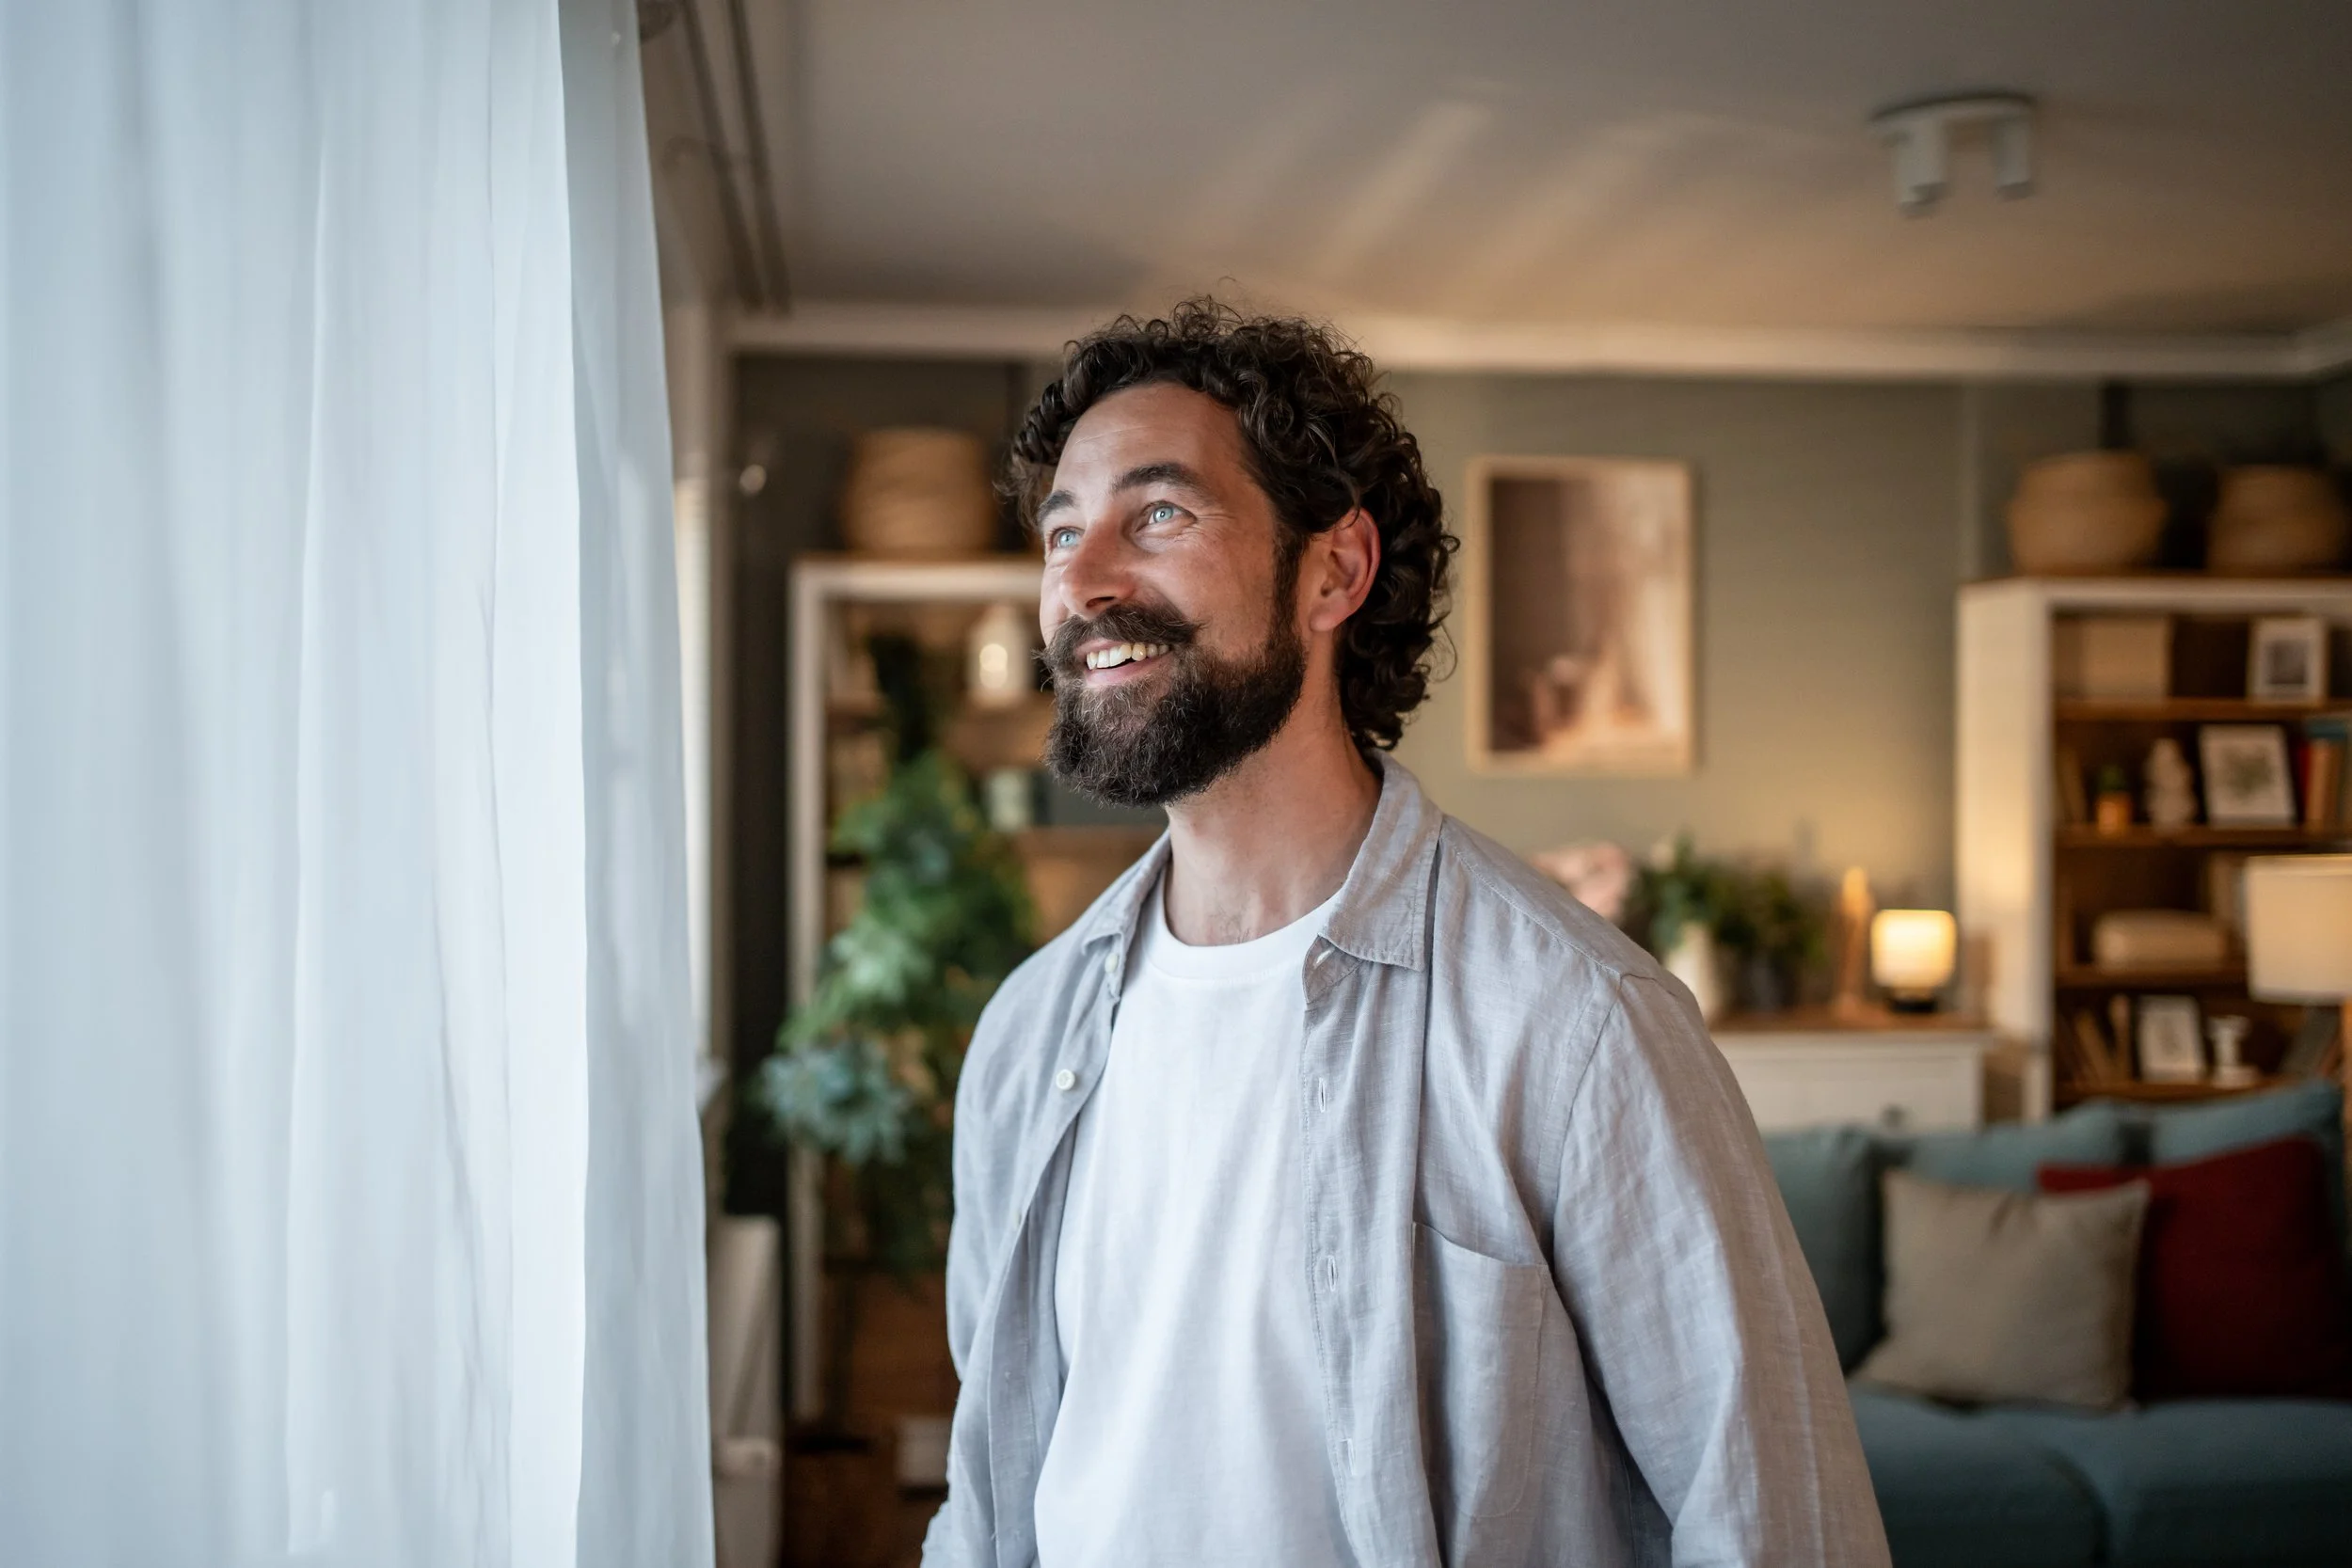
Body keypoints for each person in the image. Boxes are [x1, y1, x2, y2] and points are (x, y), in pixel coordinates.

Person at [921, 299, 1888, 1568]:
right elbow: (994, 1496)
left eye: (1156, 514)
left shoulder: (1576, 1020)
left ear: (1336, 569)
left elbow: (1777, 1524)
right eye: (1061, 531)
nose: (1086, 579)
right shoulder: (1029, 1036)